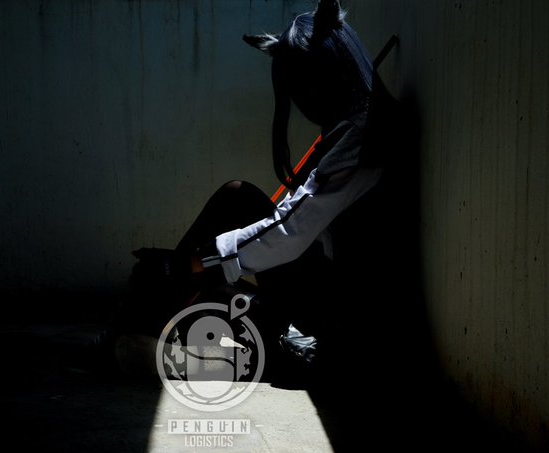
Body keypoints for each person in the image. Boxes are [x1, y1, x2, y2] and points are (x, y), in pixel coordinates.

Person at [126, 0, 403, 375]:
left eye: (309, 85)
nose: (304, 101)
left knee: (236, 200)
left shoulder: (361, 137)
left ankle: (144, 328)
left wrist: (192, 261)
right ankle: (149, 323)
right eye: (296, 90)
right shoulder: (354, 128)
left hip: (347, 314)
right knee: (221, 259)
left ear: (333, 67)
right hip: (333, 293)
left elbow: (291, 232)